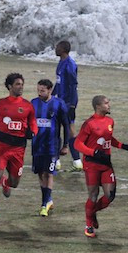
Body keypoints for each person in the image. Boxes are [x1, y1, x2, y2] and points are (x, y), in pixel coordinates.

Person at [74, 95, 128, 238]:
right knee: (94, 195)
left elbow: (108, 139)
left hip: (106, 163)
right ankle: (89, 224)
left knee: (110, 195)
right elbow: (77, 144)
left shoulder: (110, 121)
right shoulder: (89, 124)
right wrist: (93, 152)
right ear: (98, 106)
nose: (109, 105)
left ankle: (92, 211)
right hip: (92, 164)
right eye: (106, 103)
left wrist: (123, 146)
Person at [0, 73, 37, 225]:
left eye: (22, 84)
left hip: (18, 148)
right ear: (9, 87)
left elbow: (33, 124)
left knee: (15, 183)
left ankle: (6, 183)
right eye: (18, 84)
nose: (21, 87)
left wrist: (32, 132)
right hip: (1, 147)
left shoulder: (27, 106)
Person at [30, 79, 70, 217]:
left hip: (52, 146)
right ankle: (48, 199)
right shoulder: (33, 103)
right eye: (38, 90)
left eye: (42, 90)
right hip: (36, 145)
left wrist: (66, 145)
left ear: (50, 90)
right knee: (40, 173)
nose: (40, 93)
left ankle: (44, 204)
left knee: (49, 173)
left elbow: (66, 125)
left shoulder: (59, 104)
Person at [53, 40, 83, 170]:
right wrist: (51, 95)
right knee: (56, 129)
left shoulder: (70, 64)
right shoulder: (61, 62)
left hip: (67, 102)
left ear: (63, 49)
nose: (55, 49)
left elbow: (73, 85)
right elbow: (59, 82)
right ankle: (56, 161)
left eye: (57, 47)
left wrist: (72, 106)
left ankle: (76, 161)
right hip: (59, 101)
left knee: (70, 131)